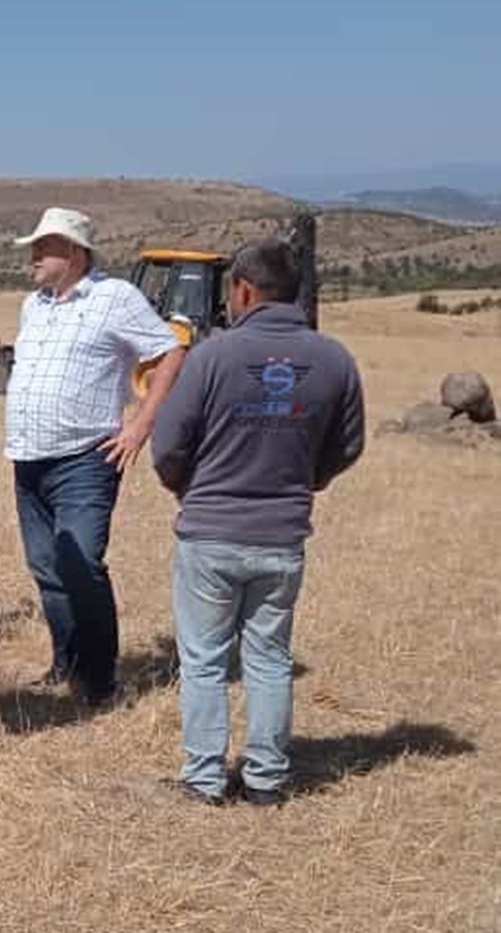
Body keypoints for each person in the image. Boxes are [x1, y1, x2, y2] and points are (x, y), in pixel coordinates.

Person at [152, 237, 364, 806]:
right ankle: (267, 779)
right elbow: (348, 445)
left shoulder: (211, 356)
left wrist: (187, 487)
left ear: (243, 290)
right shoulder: (334, 358)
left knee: (203, 659)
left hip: (211, 531)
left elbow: (168, 445)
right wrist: (307, 481)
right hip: (283, 534)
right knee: (269, 658)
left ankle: (203, 777)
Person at [5, 207, 187, 705]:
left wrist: (141, 424)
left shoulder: (115, 298)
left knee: (80, 561)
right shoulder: (33, 305)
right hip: (28, 457)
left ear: (75, 253)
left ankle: (101, 677)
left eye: (44, 249)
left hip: (84, 458)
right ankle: (67, 662)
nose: (33, 258)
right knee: (46, 566)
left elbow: (171, 351)